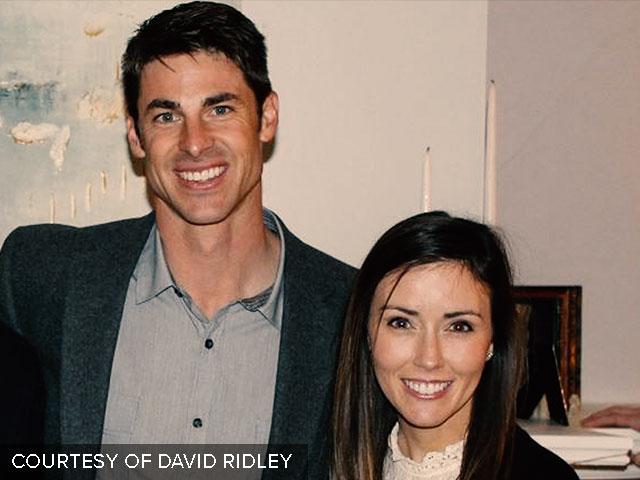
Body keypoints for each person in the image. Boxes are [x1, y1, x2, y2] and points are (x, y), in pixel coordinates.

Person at [0, 2, 355, 478]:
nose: (195, 142)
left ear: (267, 117)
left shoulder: (351, 312)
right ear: (135, 135)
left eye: (220, 109)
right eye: (167, 116)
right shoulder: (42, 274)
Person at [332, 211, 578, 479]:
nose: (429, 358)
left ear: (493, 339)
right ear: (366, 332)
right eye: (401, 323)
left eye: (459, 327)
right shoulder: (327, 462)